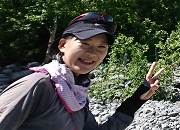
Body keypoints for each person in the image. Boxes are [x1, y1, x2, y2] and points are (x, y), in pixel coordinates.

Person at [0, 11, 164, 129]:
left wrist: (135, 101)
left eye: (101, 46)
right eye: (85, 44)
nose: (92, 53)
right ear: (62, 45)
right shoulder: (37, 85)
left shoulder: (75, 94)